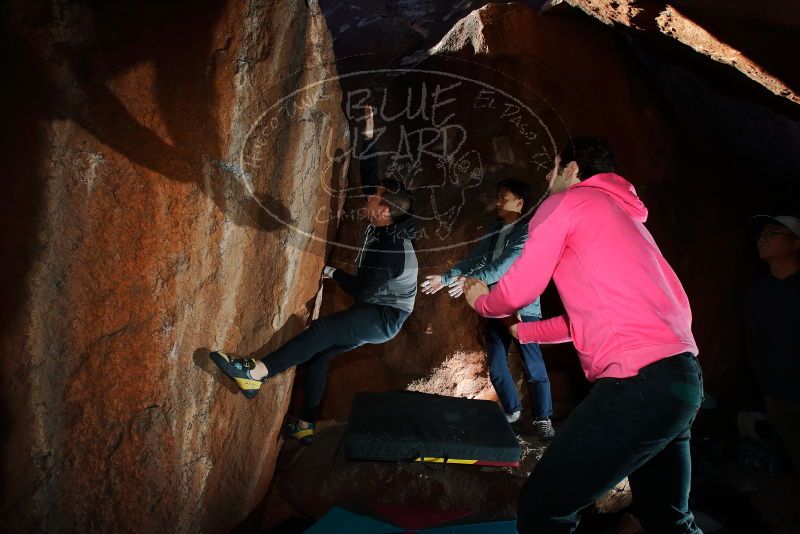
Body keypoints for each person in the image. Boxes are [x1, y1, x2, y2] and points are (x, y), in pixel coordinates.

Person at [464, 136, 703, 533]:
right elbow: (590, 318)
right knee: (667, 519)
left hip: (636, 386)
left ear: (572, 170)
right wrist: (527, 332)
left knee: (543, 509)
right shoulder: (623, 218)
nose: (547, 175)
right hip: (680, 381)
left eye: (554, 166)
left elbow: (520, 289)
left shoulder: (565, 203)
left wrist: (482, 301)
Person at [210, 106, 418, 445]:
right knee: (321, 355)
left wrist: (334, 273)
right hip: (382, 310)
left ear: (384, 210)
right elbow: (370, 174)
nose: (368, 196)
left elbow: (364, 292)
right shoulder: (387, 220)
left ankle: (257, 373)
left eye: (375, 197)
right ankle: (306, 424)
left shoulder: (390, 249)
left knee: (322, 330)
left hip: (385, 317)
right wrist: (367, 133)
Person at [422, 178, 554, 438]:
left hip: (523, 307)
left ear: (520, 202)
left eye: (503, 197)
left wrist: (470, 281)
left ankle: (543, 418)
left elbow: (503, 266)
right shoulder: (495, 230)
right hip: (496, 306)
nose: (498, 202)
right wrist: (446, 278)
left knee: (533, 365)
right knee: (495, 364)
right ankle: (512, 412)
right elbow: (474, 260)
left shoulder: (527, 231)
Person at [745, 214, 800, 474]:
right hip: (781, 398)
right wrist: (768, 391)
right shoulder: (758, 293)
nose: (763, 240)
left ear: (795, 243)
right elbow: (756, 345)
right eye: (760, 236)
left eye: (773, 233)